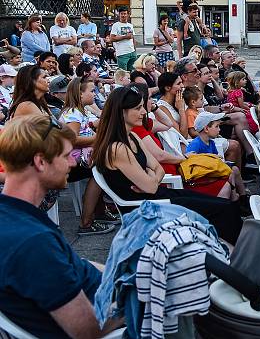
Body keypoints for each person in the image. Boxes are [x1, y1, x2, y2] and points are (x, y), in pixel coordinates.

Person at [0, 115, 119, 339]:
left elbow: (68, 263)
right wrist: (137, 298)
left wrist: (119, 270)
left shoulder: (12, 214)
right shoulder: (33, 242)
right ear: (40, 162)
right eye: (66, 156)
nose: (72, 163)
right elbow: (88, 329)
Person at [91, 87, 243, 243]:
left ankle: (232, 252)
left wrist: (151, 176)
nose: (144, 111)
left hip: (158, 198)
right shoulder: (118, 148)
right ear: (121, 112)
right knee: (223, 209)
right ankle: (236, 254)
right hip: (148, 208)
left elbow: (157, 170)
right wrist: (151, 177)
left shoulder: (133, 136)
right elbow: (150, 186)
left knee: (225, 205)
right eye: (138, 108)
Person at [60, 77, 117, 235]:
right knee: (99, 171)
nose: (94, 94)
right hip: (70, 161)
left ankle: (99, 212)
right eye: (91, 91)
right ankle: (86, 222)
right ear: (80, 93)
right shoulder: (72, 113)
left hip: (80, 158)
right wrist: (99, 138)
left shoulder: (78, 112)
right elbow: (72, 139)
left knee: (103, 166)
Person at [185, 112, 247, 201]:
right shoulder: (195, 144)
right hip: (204, 174)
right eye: (217, 126)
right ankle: (234, 199)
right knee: (231, 173)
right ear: (206, 128)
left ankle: (243, 197)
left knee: (235, 170)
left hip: (213, 170)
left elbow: (217, 159)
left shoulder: (211, 143)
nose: (219, 129)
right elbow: (191, 162)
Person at [155, 71, 189, 138]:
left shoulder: (178, 101)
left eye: (181, 82)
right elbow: (183, 136)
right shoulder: (161, 108)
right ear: (167, 88)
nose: (182, 86)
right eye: (178, 83)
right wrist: (181, 109)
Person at [109, 6, 137, 71]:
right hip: (122, 53)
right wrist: (125, 37)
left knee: (131, 72)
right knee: (123, 73)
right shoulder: (116, 25)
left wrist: (135, 51)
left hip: (132, 52)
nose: (123, 15)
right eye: (121, 14)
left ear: (128, 14)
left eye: (125, 13)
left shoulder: (130, 25)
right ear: (119, 15)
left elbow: (133, 38)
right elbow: (112, 38)